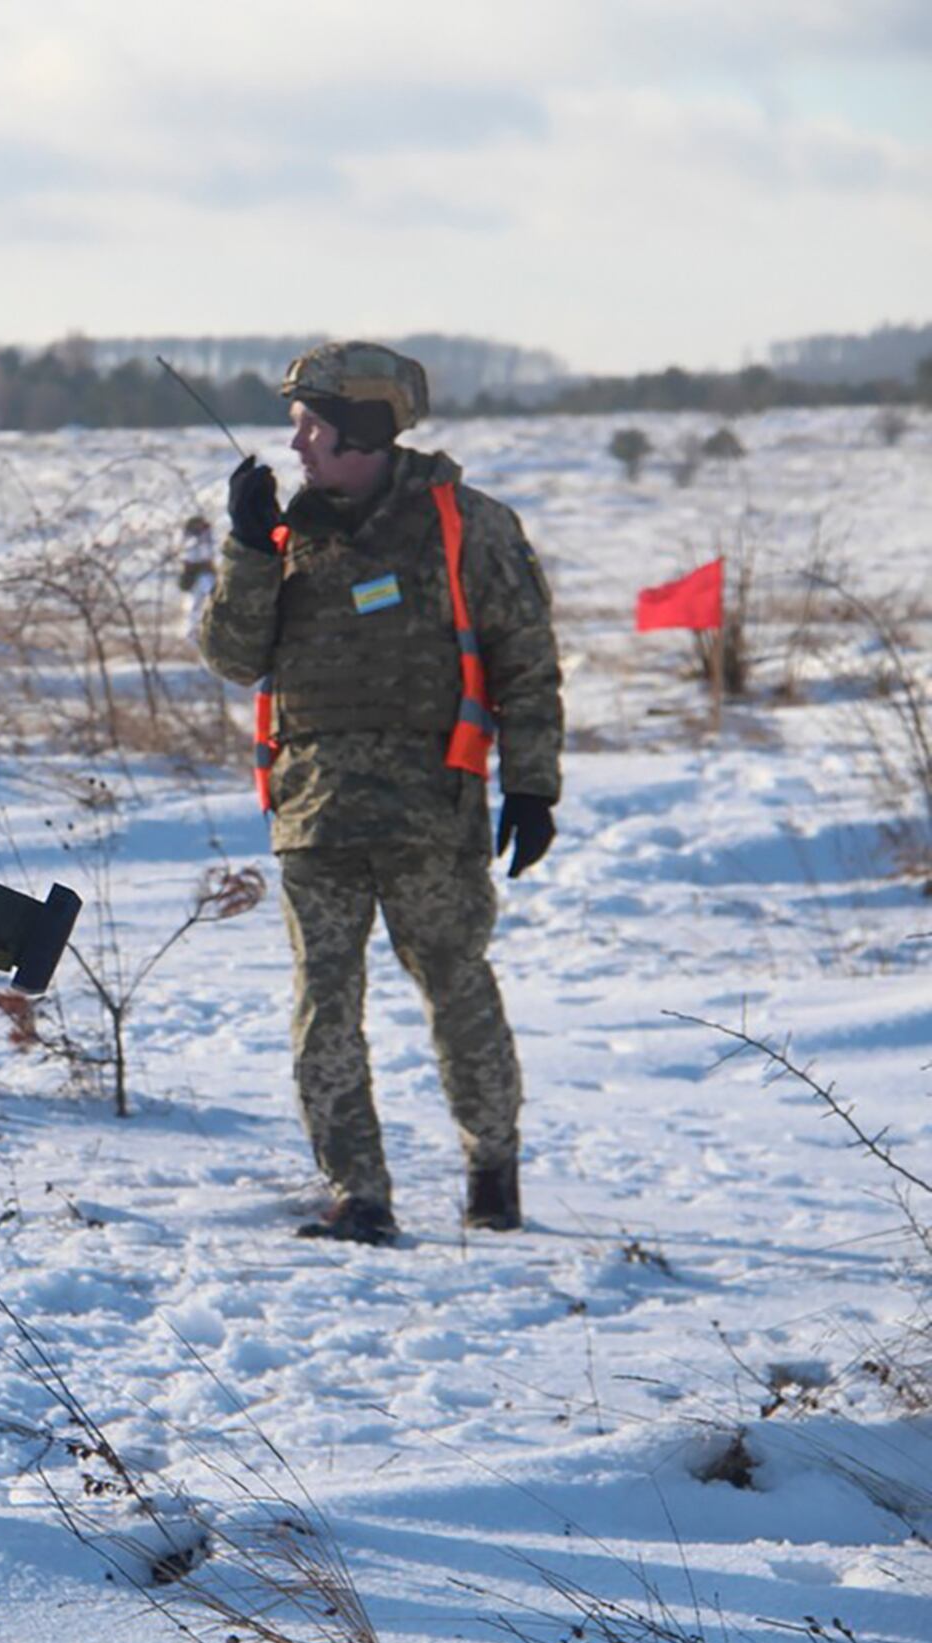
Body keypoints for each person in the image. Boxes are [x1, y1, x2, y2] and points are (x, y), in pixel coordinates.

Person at [195, 341, 563, 1246]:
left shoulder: (468, 525)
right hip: (314, 813)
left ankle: (493, 1173)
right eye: (295, 428)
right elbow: (236, 657)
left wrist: (535, 784)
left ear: (365, 429)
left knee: (458, 989)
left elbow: (528, 661)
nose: (299, 447)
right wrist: (244, 547)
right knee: (325, 1006)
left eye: (313, 427)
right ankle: (357, 1192)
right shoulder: (285, 535)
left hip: (433, 813)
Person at [177, 514, 217, 641]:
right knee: (193, 604)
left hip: (205, 572)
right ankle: (192, 633)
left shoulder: (207, 535)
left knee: (210, 599)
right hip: (193, 574)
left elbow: (208, 553)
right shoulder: (187, 538)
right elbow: (188, 554)